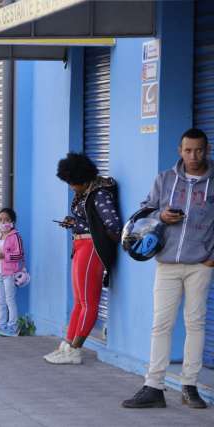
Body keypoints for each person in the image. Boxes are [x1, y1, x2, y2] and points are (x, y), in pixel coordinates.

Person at [122, 128, 214, 409]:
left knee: (195, 324)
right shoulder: (165, 179)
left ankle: (189, 386)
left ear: (206, 150)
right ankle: (154, 386)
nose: (193, 156)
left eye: (198, 150)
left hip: (201, 263)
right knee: (161, 325)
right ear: (179, 151)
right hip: (167, 263)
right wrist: (159, 215)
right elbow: (143, 211)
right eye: (188, 150)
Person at [44, 153, 122, 365]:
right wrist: (75, 223)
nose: (70, 187)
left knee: (88, 302)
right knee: (79, 302)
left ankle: (75, 350)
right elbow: (89, 219)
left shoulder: (99, 194)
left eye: (72, 182)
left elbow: (113, 224)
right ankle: (67, 345)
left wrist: (87, 230)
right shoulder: (86, 191)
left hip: (91, 248)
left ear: (82, 177)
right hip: (80, 246)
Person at [0, 208, 25, 337]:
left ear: (12, 221)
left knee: (10, 300)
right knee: (1, 301)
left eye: (6, 220)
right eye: (0, 220)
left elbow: (19, 254)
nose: (3, 222)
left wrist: (4, 255)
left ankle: (13, 327)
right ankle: (2, 326)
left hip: (9, 274)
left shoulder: (15, 236)